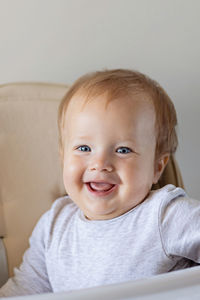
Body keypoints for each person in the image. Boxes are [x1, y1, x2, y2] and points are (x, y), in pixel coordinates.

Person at [0, 69, 199, 297]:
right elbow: (25, 289)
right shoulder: (54, 225)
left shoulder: (165, 216)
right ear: (63, 156)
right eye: (84, 148)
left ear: (157, 168)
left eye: (123, 150)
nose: (100, 163)